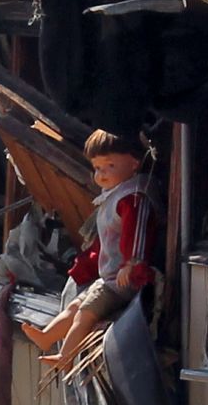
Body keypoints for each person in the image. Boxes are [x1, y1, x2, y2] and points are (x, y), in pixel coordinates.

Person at [23, 130, 159, 370]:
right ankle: (47, 336)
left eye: (109, 165)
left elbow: (136, 234)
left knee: (85, 313)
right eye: (97, 168)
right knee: (75, 306)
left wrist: (133, 263)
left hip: (122, 280)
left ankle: (65, 357)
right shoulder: (114, 196)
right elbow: (102, 242)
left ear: (134, 163)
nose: (101, 174)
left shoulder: (133, 198)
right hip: (108, 278)